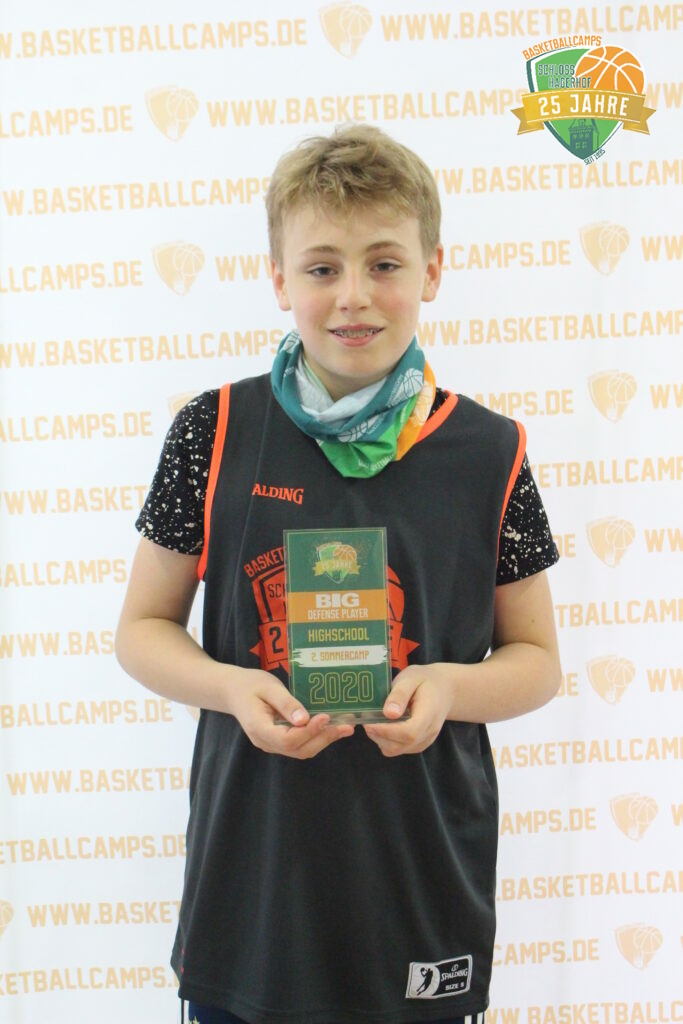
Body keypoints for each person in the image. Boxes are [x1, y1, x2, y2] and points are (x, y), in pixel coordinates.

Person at [115, 124, 561, 1024]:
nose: (353, 295)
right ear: (279, 280)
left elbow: (537, 663)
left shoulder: (490, 451)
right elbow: (141, 631)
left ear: (432, 271)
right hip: (253, 884)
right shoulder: (213, 431)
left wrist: (446, 687)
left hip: (419, 878)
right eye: (321, 267)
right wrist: (231, 688)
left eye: (383, 263)